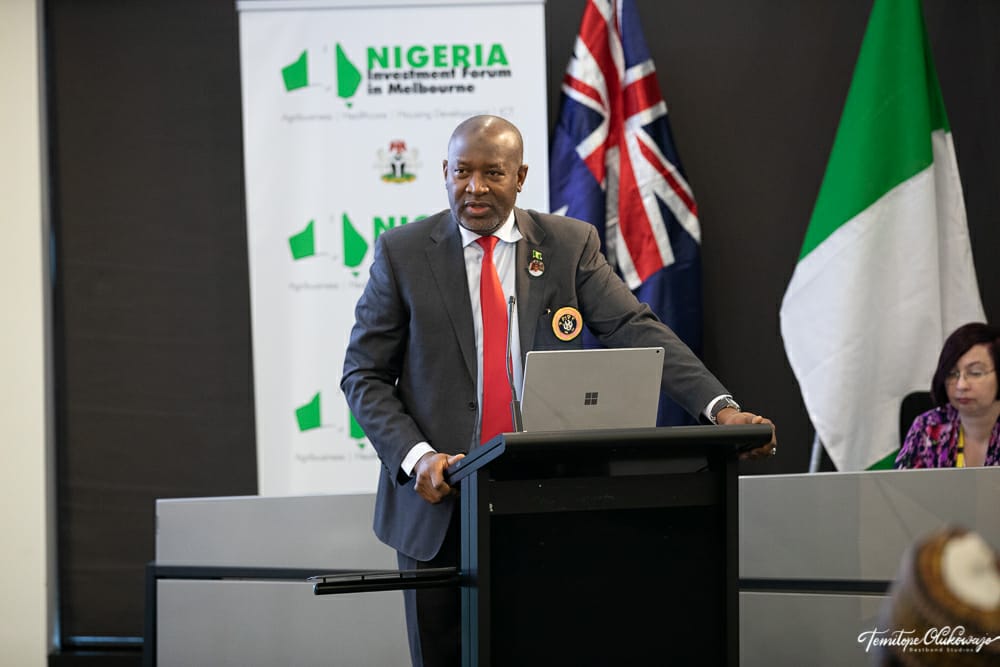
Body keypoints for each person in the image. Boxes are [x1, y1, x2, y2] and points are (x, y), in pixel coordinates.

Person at [341, 114, 777, 667]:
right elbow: (363, 375)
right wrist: (417, 457)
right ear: (444, 173)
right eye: (462, 172)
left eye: (492, 173)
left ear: (520, 177)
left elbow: (635, 329)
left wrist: (720, 409)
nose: (474, 188)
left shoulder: (569, 245)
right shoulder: (402, 253)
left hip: (546, 501)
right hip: (439, 506)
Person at [895, 322, 1000, 469]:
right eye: (952, 374)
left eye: (975, 373)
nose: (961, 385)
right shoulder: (927, 428)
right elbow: (899, 483)